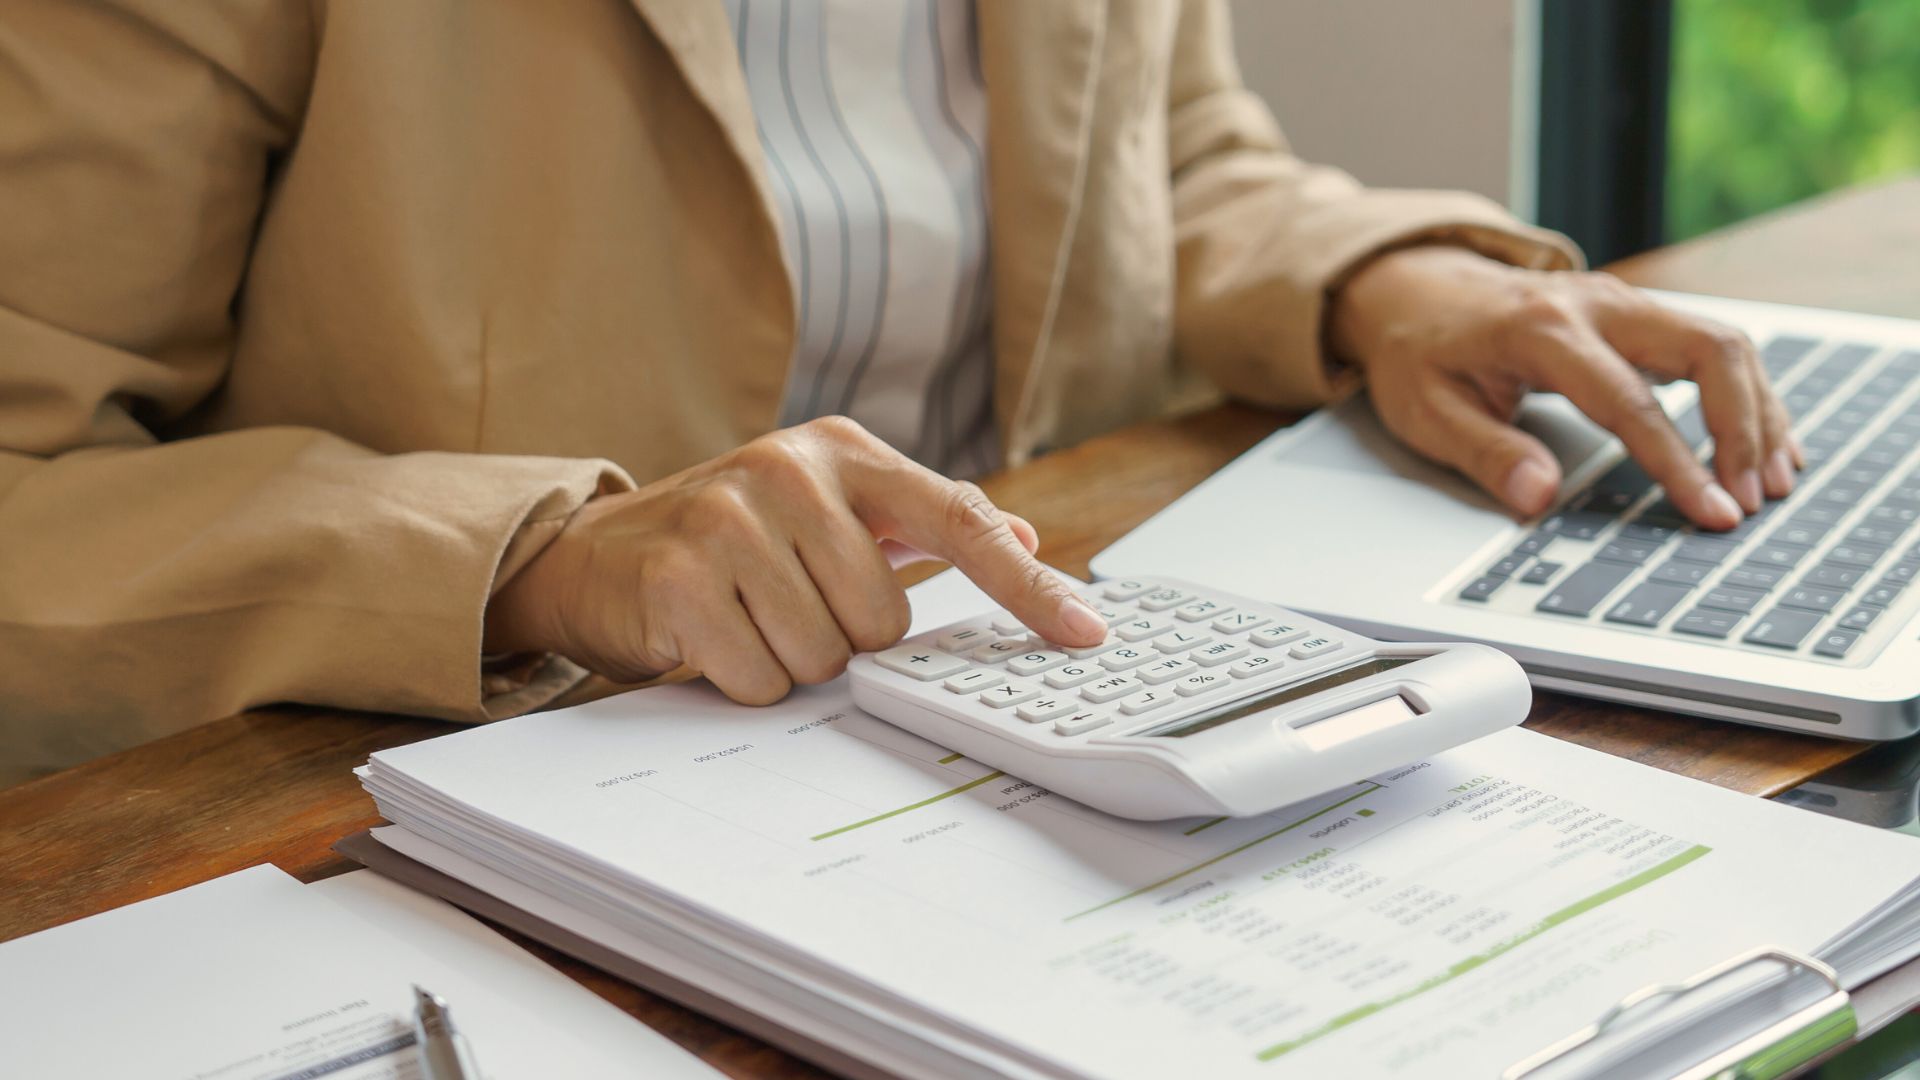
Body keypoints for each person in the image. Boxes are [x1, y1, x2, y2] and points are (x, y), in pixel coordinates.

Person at [0, 0, 1795, 784]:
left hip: (1040, 725)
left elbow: (1169, 156)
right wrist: (548, 556)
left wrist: (1385, 282)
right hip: (483, 784)